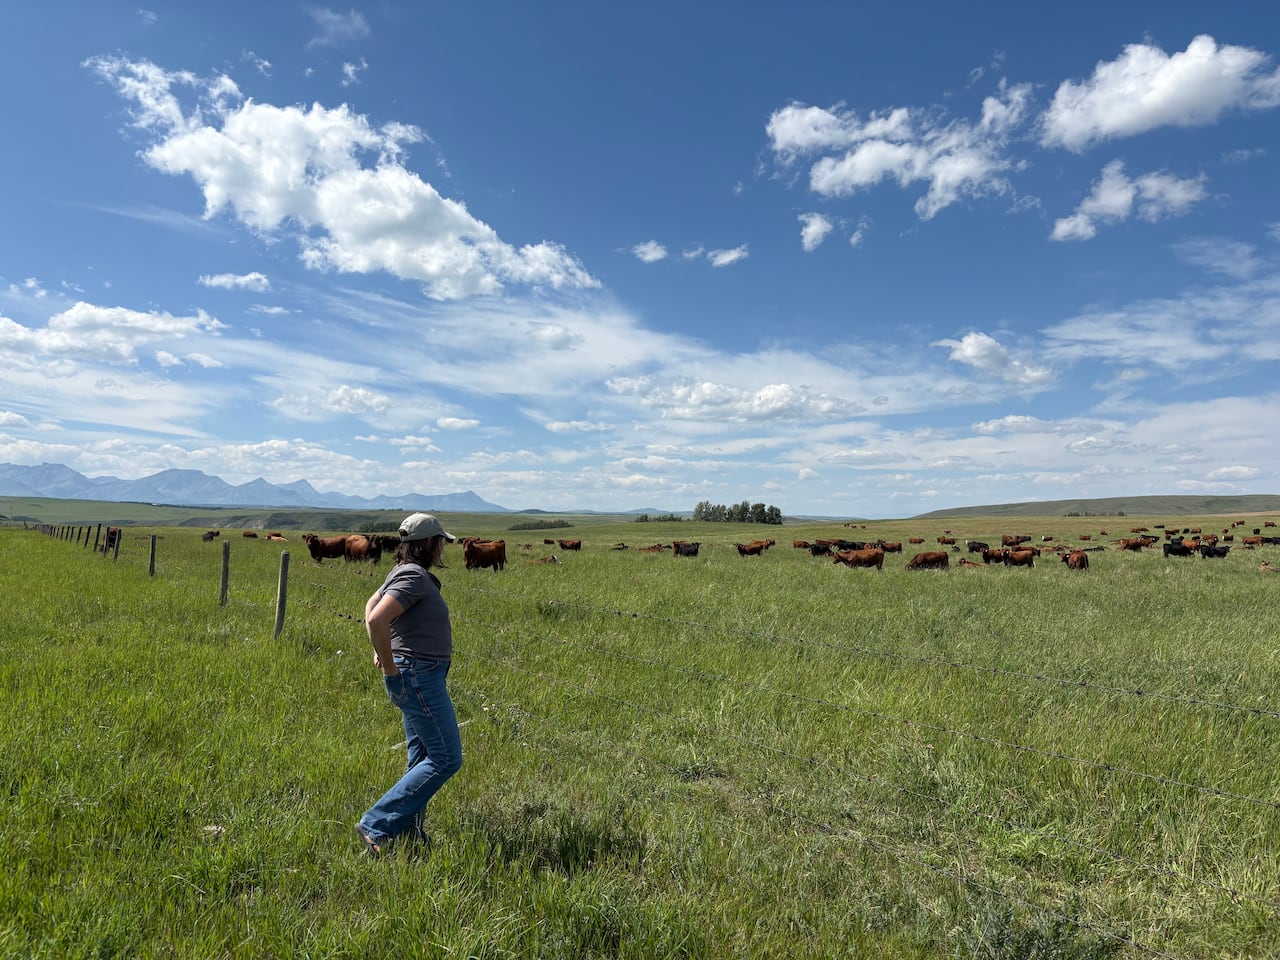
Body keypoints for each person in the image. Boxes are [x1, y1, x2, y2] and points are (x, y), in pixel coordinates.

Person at [355, 512, 463, 856]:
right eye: (439, 543)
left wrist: (383, 649)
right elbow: (375, 617)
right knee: (446, 758)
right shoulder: (415, 577)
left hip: (416, 673)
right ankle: (377, 823)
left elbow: (372, 603)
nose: (441, 550)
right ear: (429, 544)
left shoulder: (400, 573)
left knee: (422, 757)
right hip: (418, 676)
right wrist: (388, 665)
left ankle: (408, 832)